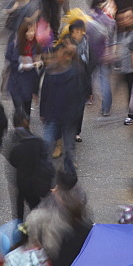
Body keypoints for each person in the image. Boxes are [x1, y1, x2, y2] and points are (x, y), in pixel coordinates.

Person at [39, 42, 85, 175]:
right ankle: (44, 170)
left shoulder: (77, 71)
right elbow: (45, 92)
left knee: (69, 147)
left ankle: (69, 172)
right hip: (52, 114)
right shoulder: (51, 70)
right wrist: (43, 111)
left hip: (68, 117)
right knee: (47, 143)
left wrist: (76, 115)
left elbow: (80, 96)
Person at [5, 19, 42, 119]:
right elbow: (12, 63)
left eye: (33, 31)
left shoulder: (35, 45)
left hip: (28, 84)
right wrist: (25, 66)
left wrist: (39, 63)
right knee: (19, 109)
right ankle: (19, 128)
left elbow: (40, 61)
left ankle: (25, 129)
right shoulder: (14, 45)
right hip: (16, 83)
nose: (31, 34)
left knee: (26, 109)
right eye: (28, 31)